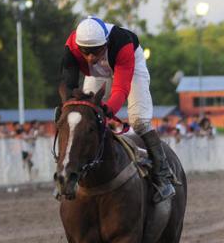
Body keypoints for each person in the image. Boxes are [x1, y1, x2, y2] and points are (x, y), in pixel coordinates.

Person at [59, 16, 176, 201]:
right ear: (78, 46)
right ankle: (69, 174)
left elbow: (121, 89)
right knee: (84, 117)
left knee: (139, 121)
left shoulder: (122, 44)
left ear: (105, 43)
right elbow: (69, 87)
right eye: (85, 52)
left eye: (96, 51)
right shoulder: (71, 47)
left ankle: (163, 174)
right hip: (98, 74)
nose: (91, 57)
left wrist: (108, 110)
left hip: (130, 65)